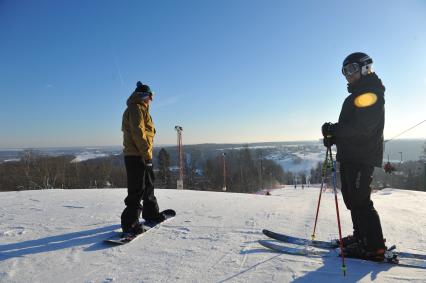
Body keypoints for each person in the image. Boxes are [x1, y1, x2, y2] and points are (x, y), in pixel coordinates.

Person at [321, 52, 386, 261]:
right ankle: (361, 237)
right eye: (345, 71)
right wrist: (333, 137)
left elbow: (362, 128)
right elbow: (352, 129)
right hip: (351, 155)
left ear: (366, 68)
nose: (348, 75)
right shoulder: (357, 95)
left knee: (360, 201)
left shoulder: (370, 94)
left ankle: (374, 246)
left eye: (352, 69)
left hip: (362, 156)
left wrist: (335, 130)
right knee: (352, 199)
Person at [121, 81, 164, 234]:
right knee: (137, 189)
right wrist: (146, 153)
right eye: (150, 97)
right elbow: (138, 133)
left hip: (144, 153)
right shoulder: (135, 108)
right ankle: (130, 223)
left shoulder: (142, 109)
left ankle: (150, 213)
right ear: (144, 96)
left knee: (148, 184)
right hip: (136, 155)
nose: (151, 100)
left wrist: (147, 154)